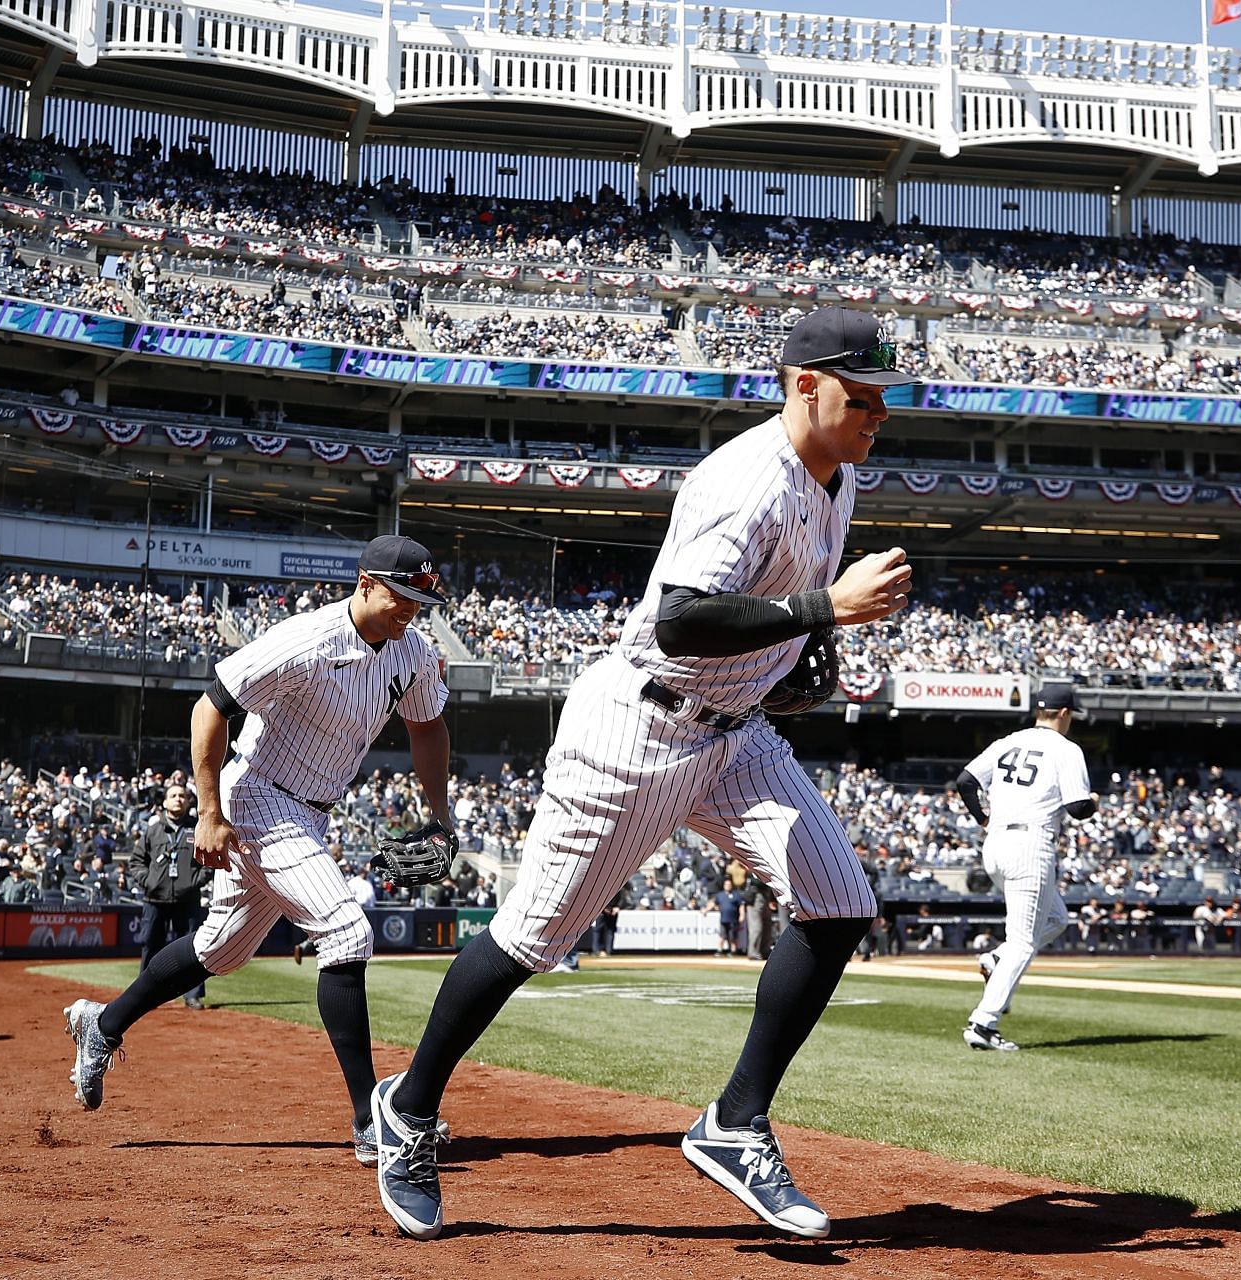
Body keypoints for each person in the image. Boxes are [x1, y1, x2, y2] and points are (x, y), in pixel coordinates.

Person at [370, 307, 918, 1243]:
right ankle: (409, 1110)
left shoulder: (839, 477)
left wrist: (790, 657)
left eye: (883, 397)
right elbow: (680, 623)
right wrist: (825, 606)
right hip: (642, 726)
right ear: (803, 385)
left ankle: (735, 1124)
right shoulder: (746, 481)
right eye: (861, 394)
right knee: (528, 940)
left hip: (734, 736)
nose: (877, 413)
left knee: (839, 904)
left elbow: (758, 618)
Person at [64, 534, 452, 1172]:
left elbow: (428, 726)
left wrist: (439, 816)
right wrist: (210, 812)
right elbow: (210, 706)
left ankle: (101, 1027)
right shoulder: (306, 640)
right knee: (347, 931)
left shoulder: (410, 650)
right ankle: (370, 1121)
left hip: (310, 811)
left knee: (221, 951)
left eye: (420, 598)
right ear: (364, 584)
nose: (410, 609)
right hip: (259, 798)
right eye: (400, 595)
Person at [953, 683, 1094, 1052]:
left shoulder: (1007, 741)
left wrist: (982, 817)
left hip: (996, 843)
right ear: (1064, 714)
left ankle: (994, 959)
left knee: (1056, 919)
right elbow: (1079, 808)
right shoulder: (1066, 748)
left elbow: (965, 781)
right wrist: (1094, 801)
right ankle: (983, 1023)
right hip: (1030, 845)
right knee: (1022, 943)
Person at [135, 781, 209, 1009]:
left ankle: (192, 995)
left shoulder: (198, 829)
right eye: (173, 795)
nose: (178, 798)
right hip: (155, 899)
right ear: (164, 802)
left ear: (188, 802)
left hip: (187, 900)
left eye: (182, 796)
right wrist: (148, 883)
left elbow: (209, 862)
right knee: (150, 945)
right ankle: (144, 996)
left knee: (193, 949)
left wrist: (193, 883)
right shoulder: (153, 831)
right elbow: (136, 861)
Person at [711, 876, 743, 955]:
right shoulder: (720, 895)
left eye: (729, 884)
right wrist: (706, 909)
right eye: (726, 884)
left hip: (733, 919)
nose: (728, 886)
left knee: (733, 937)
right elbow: (714, 903)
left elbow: (741, 906)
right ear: (724, 885)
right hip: (723, 919)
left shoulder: (736, 895)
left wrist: (742, 915)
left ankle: (733, 951)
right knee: (722, 935)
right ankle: (719, 950)